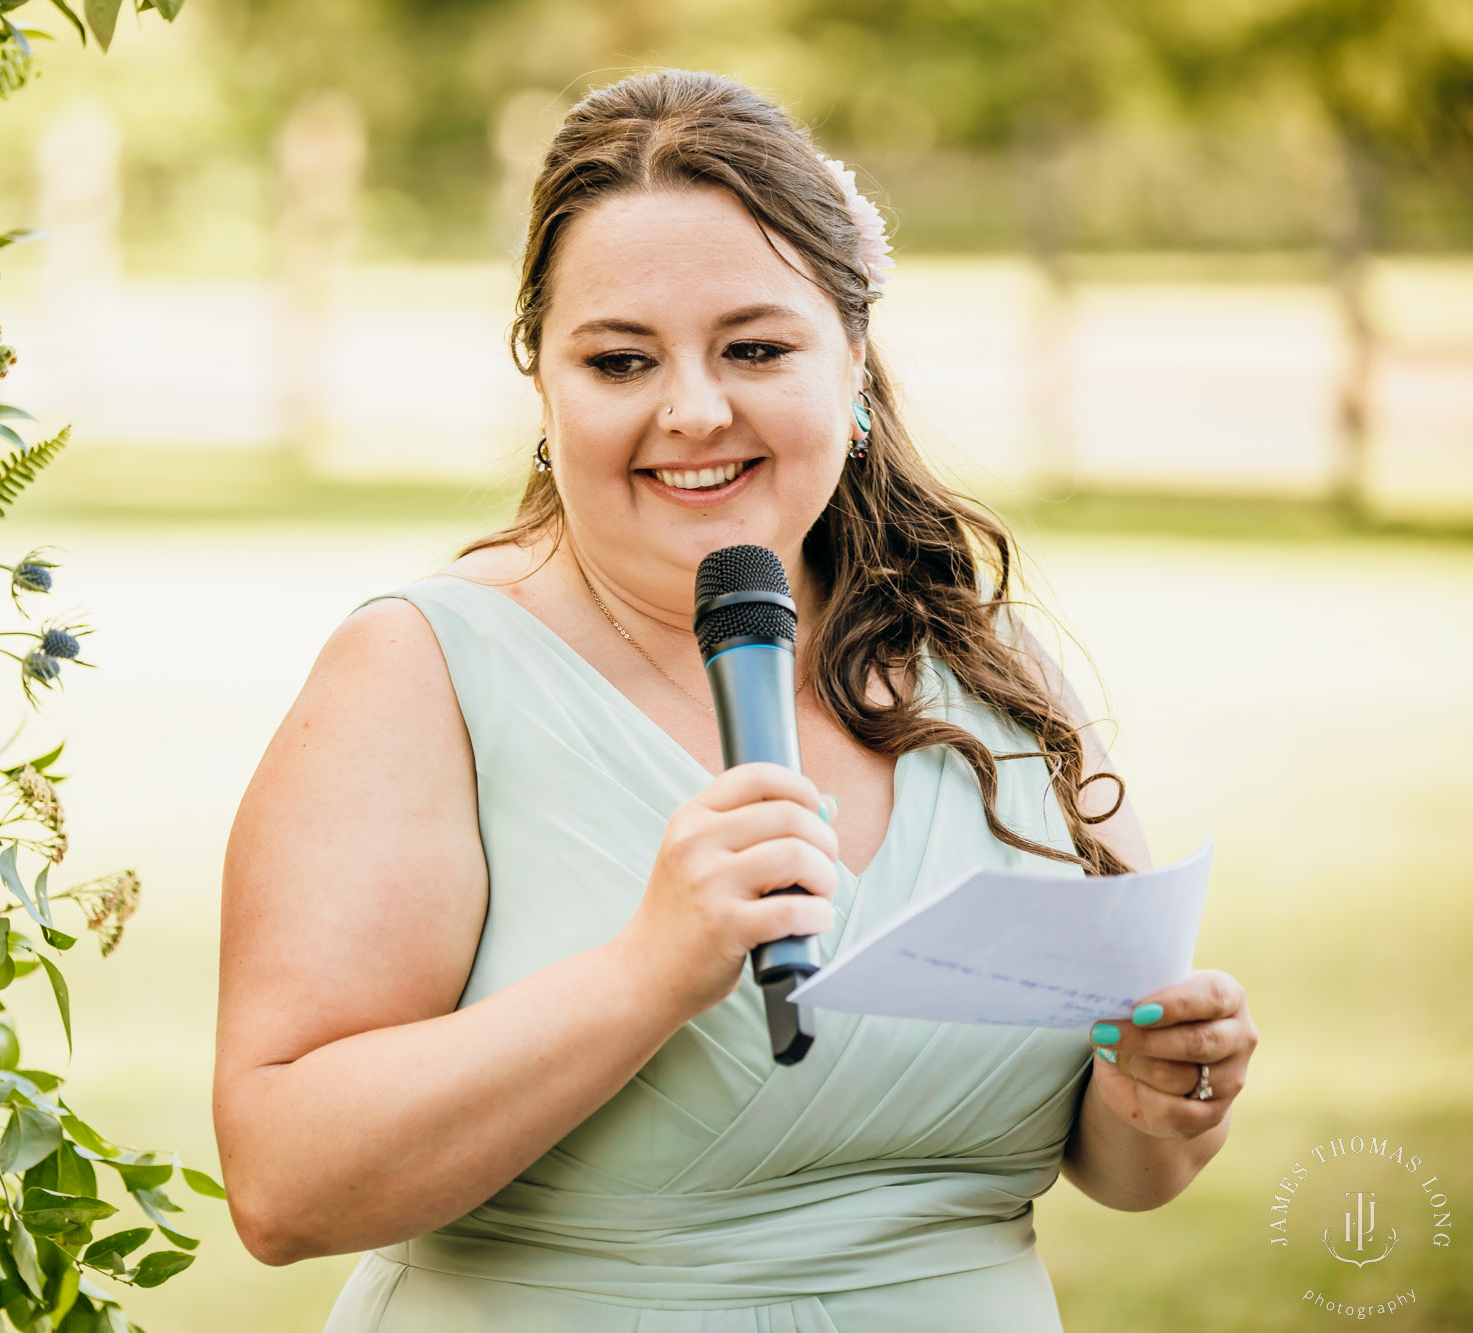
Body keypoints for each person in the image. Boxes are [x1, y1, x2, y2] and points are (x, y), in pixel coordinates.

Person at [213, 68, 1258, 1331]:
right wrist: (649, 972)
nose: (693, 411)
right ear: (542, 383)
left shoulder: (996, 672)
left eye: (755, 347)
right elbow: (282, 1187)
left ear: (854, 362)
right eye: (618, 360)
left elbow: (1118, 1167)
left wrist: (1154, 1100)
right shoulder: (421, 669)